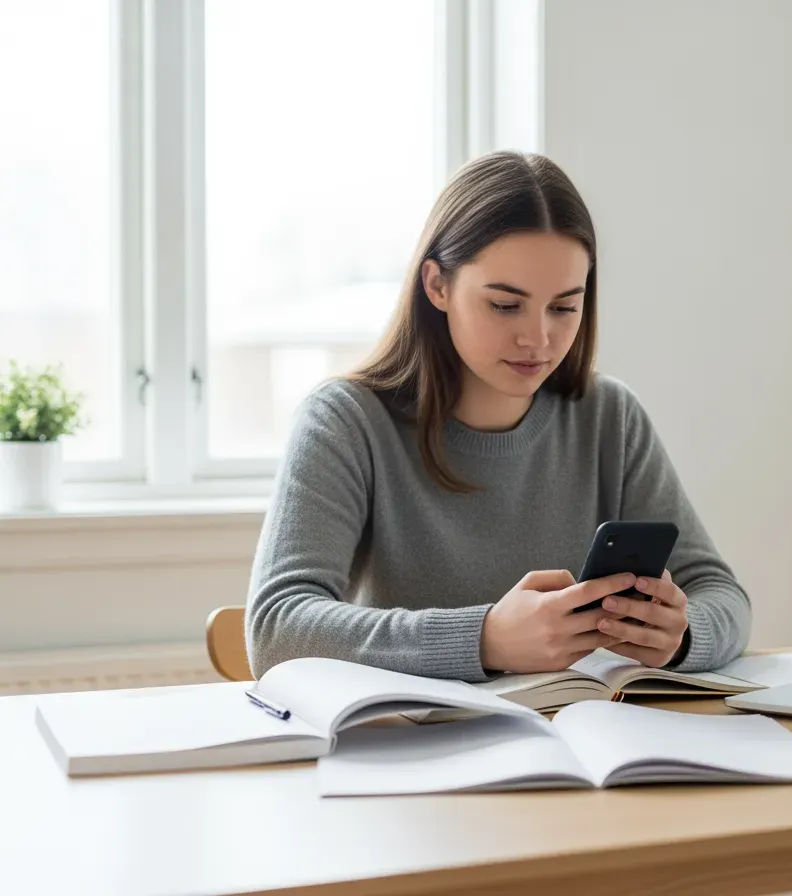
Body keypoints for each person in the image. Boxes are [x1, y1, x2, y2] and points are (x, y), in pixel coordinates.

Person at [245, 150, 751, 682]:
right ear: (437, 285)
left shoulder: (610, 418)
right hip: (407, 747)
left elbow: (723, 597)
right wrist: (485, 639)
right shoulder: (346, 423)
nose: (538, 338)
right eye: (505, 305)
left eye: (563, 307)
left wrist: (682, 633)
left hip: (578, 740)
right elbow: (278, 629)